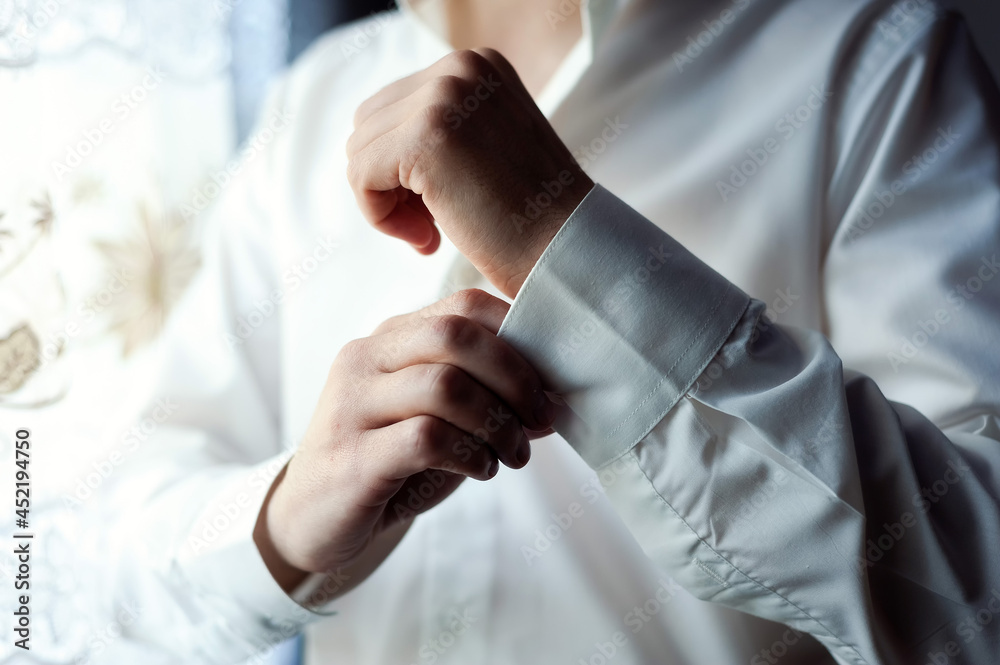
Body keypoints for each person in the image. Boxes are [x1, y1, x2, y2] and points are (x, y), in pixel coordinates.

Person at [92, 0, 1000, 663]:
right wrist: (290, 519)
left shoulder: (875, 59)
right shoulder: (310, 104)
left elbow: (979, 602)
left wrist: (567, 248)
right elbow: (107, 583)